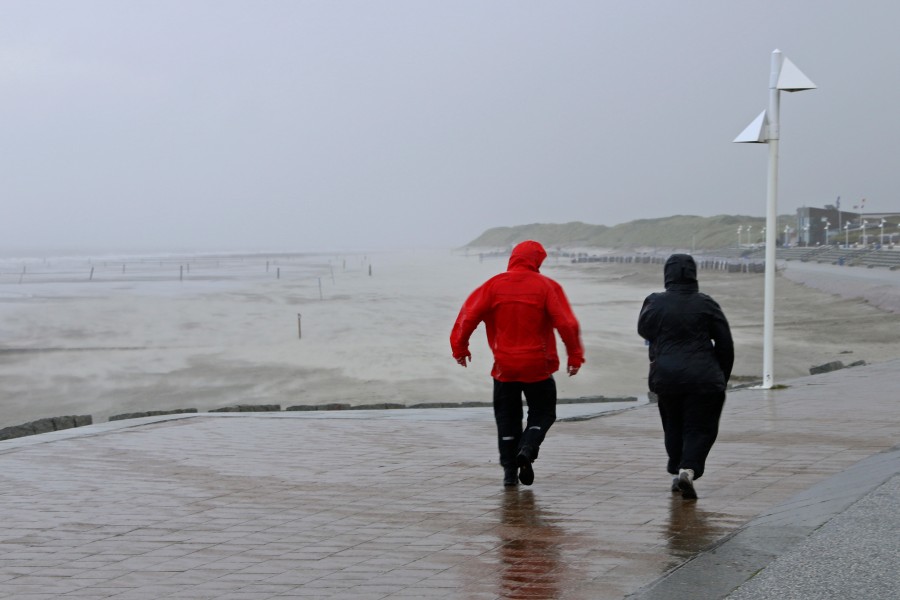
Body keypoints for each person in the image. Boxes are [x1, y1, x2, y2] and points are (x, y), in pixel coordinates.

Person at [451, 240, 585, 487]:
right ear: (537, 261)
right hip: (538, 365)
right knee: (543, 412)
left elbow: (468, 315)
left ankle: (510, 473)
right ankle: (528, 447)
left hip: (505, 367)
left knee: (507, 418)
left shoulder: (493, 285)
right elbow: (566, 324)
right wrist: (575, 355)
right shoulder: (547, 286)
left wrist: (460, 347)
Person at [637, 254, 734, 500]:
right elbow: (725, 342)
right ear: (694, 274)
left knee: (673, 424)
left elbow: (643, 329)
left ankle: (677, 469)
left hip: (666, 377)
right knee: (700, 427)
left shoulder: (655, 302)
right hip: (704, 377)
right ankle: (688, 469)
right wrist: (722, 375)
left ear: (666, 275)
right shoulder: (706, 303)